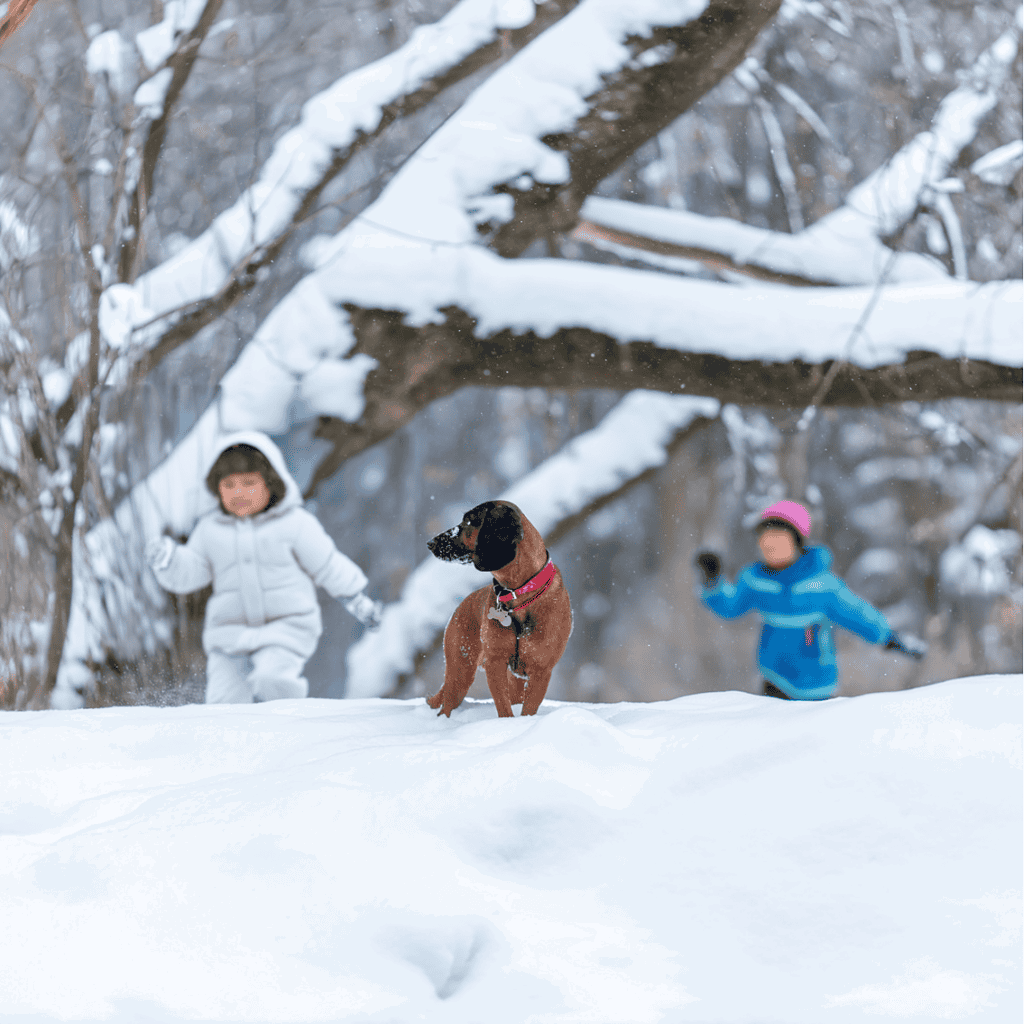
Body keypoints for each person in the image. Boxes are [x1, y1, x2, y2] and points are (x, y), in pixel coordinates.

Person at [147, 431, 382, 703]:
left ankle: (288, 728)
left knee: (271, 681)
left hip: (286, 627)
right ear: (216, 489)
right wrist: (169, 562)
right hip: (229, 635)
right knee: (224, 701)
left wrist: (356, 598)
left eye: (248, 483)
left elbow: (327, 564)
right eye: (229, 485)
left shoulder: (293, 524)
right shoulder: (210, 530)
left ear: (270, 483)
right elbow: (193, 572)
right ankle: (231, 743)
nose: (238, 493)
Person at [694, 500, 922, 700]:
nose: (769, 544)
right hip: (773, 680)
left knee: (811, 746)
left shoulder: (822, 585)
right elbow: (732, 607)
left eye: (777, 537)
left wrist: (888, 637)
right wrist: (713, 583)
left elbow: (857, 613)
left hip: (816, 686)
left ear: (797, 541)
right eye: (764, 537)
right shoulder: (756, 581)